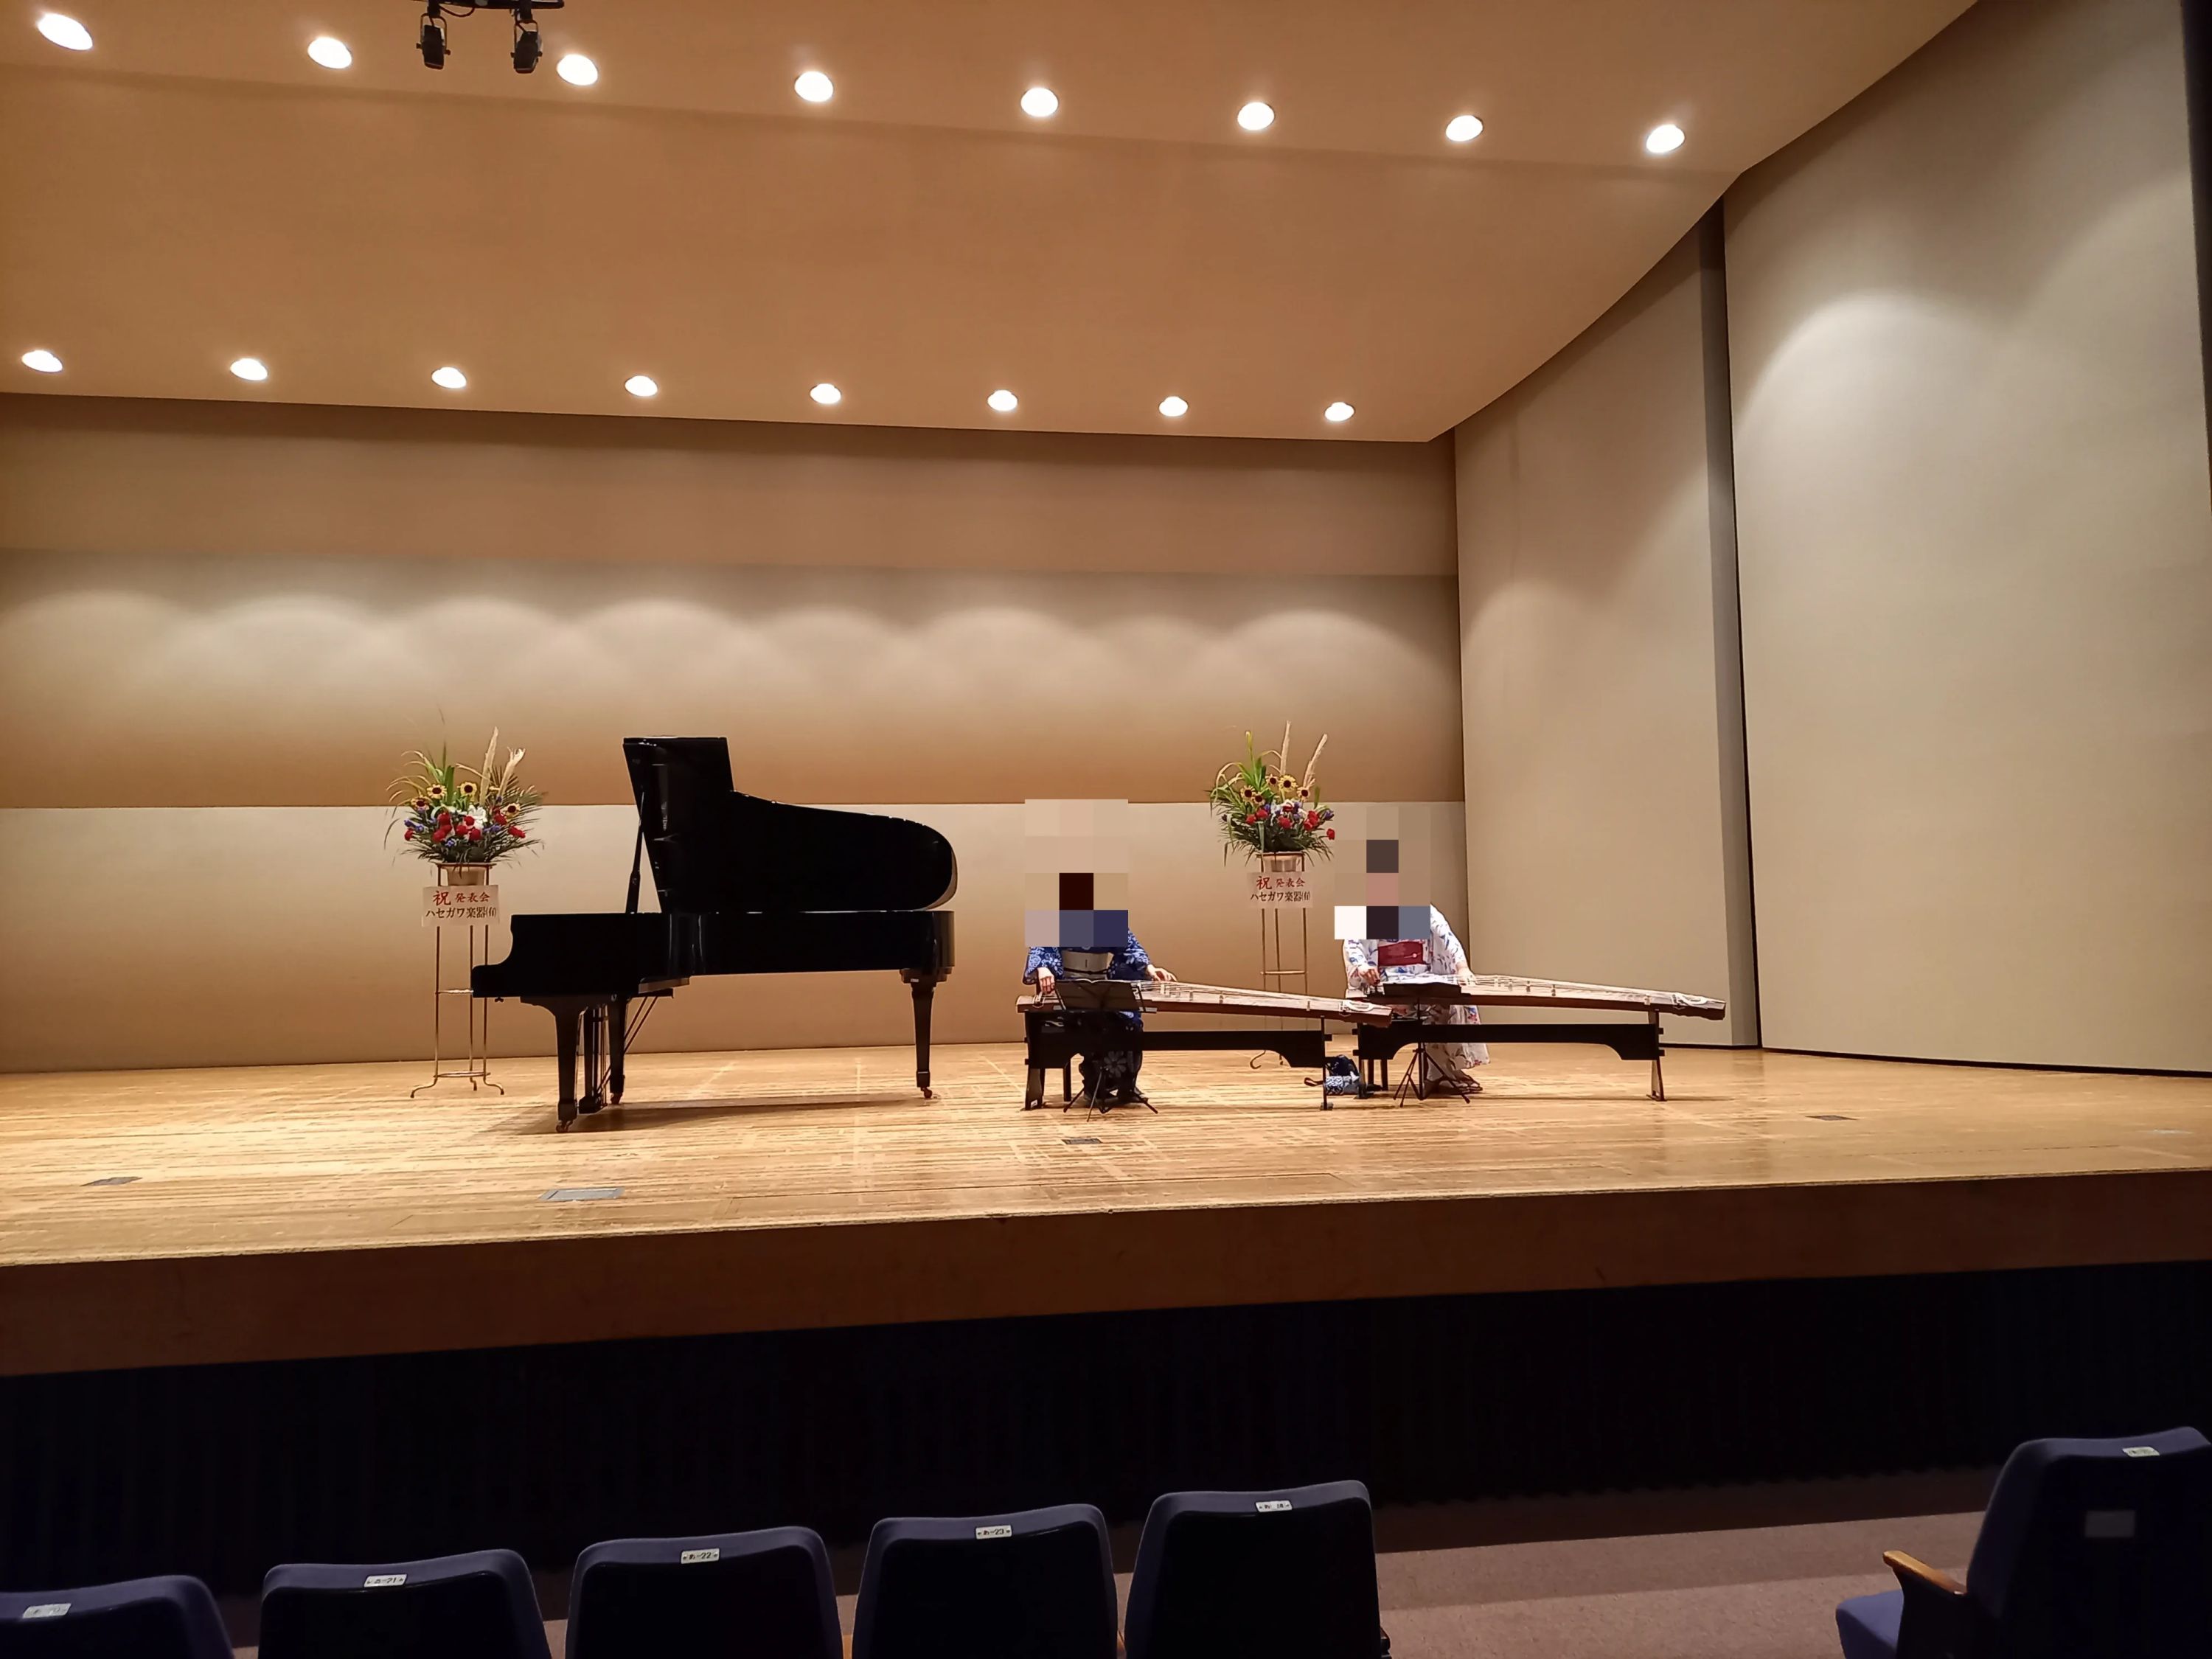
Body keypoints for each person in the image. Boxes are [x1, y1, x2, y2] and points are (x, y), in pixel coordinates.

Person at [1026, 930, 1176, 1111]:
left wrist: (1150, 969)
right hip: (1069, 996)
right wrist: (1042, 968)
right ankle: (1095, 1085)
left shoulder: (1106, 923)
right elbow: (1039, 948)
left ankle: (1127, 1086)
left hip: (1102, 993)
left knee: (1129, 1024)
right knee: (1097, 1025)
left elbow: (1131, 947)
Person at [1343, 905, 1489, 1091]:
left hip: (1424, 977)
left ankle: (1444, 1071)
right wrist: (1362, 966)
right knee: (1426, 1002)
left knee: (1450, 1002)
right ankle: (1441, 1073)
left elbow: (1445, 934)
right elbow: (1352, 944)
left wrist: (1462, 967)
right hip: (1388, 979)